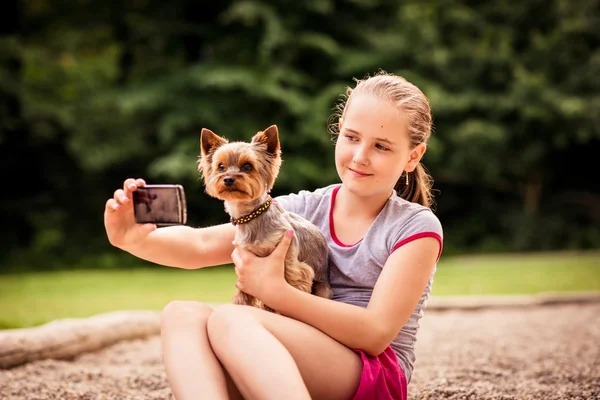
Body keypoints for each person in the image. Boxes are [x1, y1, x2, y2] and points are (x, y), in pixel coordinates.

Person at [104, 70, 443, 400]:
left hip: (370, 373)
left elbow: (374, 333)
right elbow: (204, 243)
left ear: (413, 156)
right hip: (295, 356)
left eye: (381, 146)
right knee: (182, 315)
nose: (360, 156)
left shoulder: (414, 226)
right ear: (339, 133)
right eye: (352, 137)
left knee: (232, 320)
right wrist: (131, 238)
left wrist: (274, 292)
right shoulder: (304, 208)